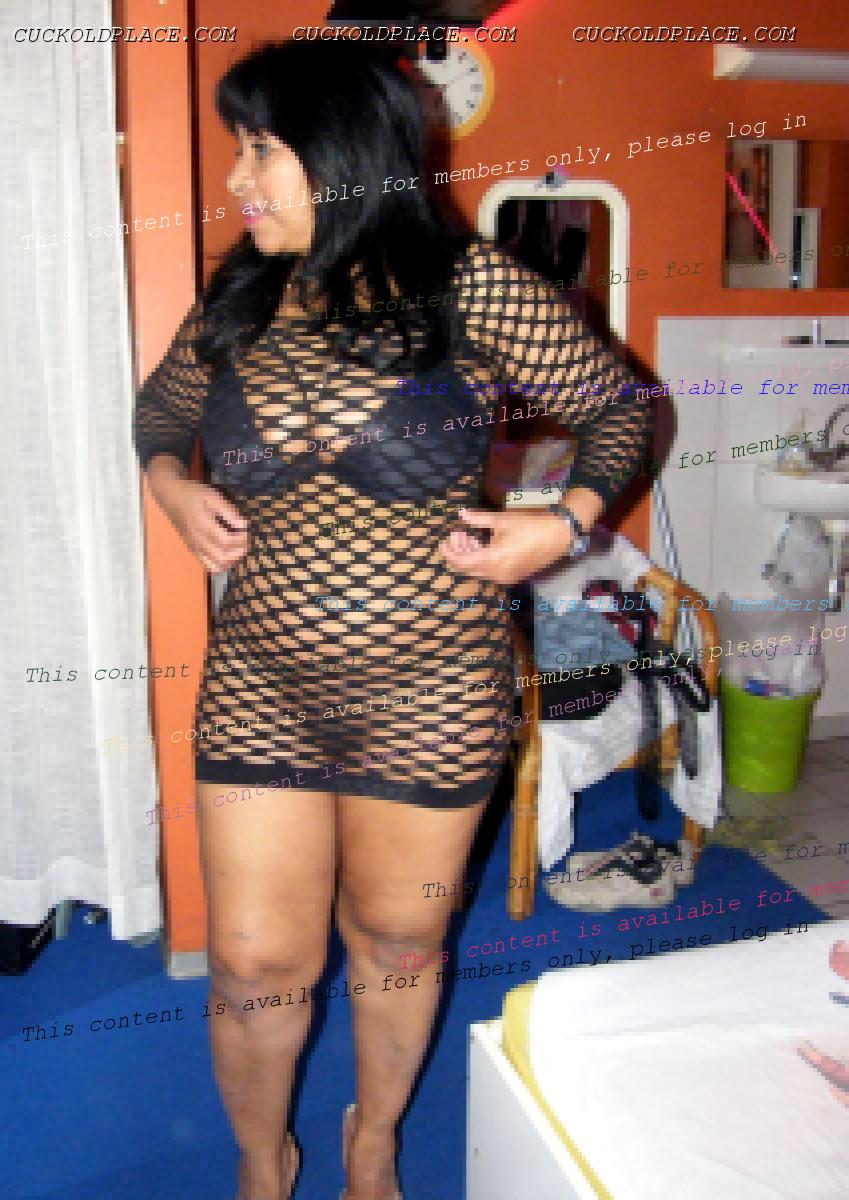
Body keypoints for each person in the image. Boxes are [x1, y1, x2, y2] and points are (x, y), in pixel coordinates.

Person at [133, 39, 652, 1200]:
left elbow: (621, 408)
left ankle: (373, 1141)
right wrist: (171, 484)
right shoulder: (241, 294)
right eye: (237, 149)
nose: (238, 178)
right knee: (253, 962)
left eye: (260, 148)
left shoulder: (473, 288)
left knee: (400, 942)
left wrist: (561, 526)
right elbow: (160, 411)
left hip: (437, 688)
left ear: (344, 155)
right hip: (263, 684)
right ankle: (264, 1163)